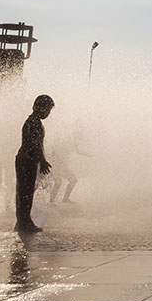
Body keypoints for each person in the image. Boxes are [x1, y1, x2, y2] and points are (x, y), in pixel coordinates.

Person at [14, 95, 54, 233]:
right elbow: (34, 144)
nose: (48, 113)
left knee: (24, 191)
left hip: (26, 159)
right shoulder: (34, 122)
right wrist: (42, 161)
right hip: (27, 160)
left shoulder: (33, 121)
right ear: (39, 107)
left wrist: (41, 160)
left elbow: (36, 144)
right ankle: (24, 223)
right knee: (25, 192)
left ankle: (22, 222)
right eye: (47, 110)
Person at [48, 126, 92, 204]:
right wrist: (53, 164)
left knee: (72, 180)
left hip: (62, 166)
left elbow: (78, 151)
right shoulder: (65, 142)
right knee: (58, 182)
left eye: (80, 140)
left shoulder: (72, 144)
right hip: (55, 166)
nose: (79, 141)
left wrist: (88, 154)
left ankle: (64, 199)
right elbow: (54, 152)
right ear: (74, 137)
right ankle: (51, 201)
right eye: (78, 139)